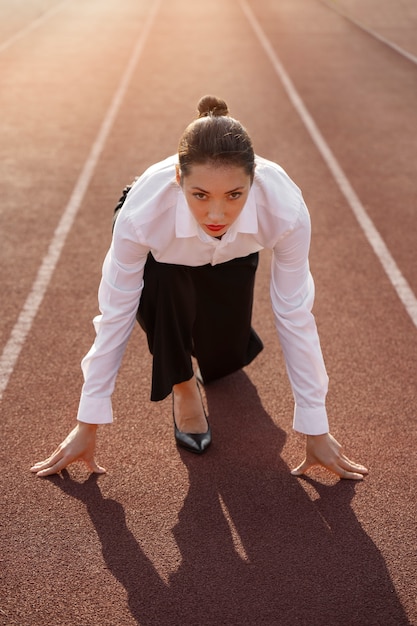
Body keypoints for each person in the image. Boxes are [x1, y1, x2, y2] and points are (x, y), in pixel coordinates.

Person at [31, 95, 368, 480]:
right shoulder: (143, 217)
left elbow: (295, 314)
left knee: (224, 361)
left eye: (234, 195)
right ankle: (183, 384)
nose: (216, 214)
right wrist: (86, 423)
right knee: (163, 285)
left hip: (235, 254)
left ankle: (215, 348)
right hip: (165, 261)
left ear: (253, 181)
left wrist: (316, 428)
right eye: (200, 195)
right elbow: (115, 314)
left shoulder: (285, 210)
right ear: (179, 178)